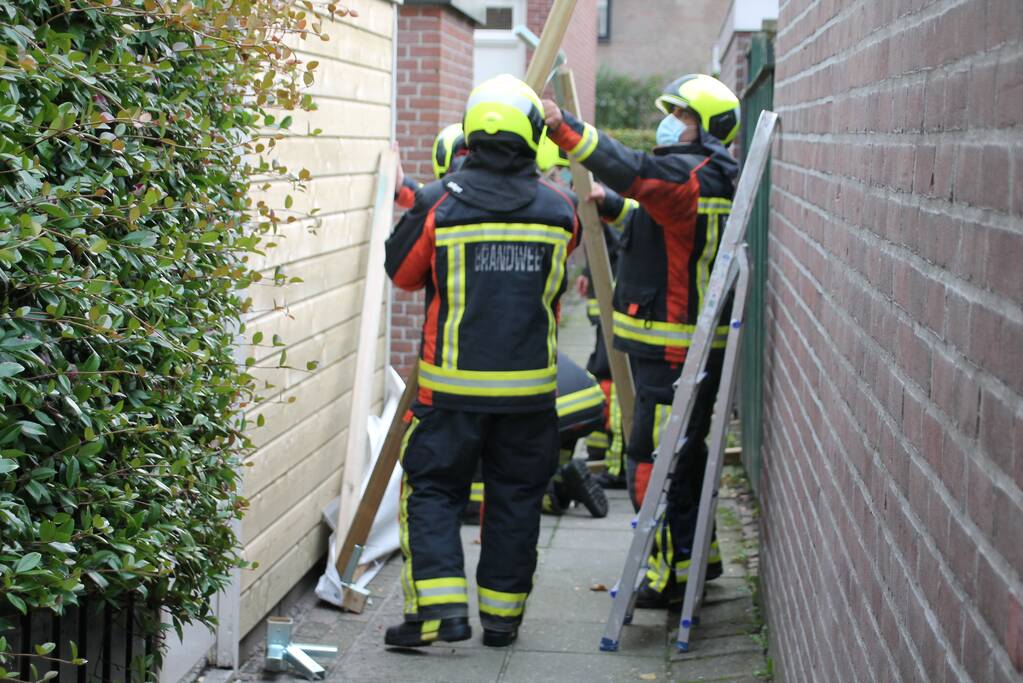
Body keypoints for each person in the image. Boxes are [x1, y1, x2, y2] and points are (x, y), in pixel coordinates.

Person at [383, 74, 580, 648]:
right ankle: (502, 620)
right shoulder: (559, 209)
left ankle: (442, 612)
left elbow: (402, 275)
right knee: (516, 499)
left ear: (470, 132)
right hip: (530, 398)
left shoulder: (439, 205)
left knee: (435, 492)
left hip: (449, 396)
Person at [542, 74, 740, 609]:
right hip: (680, 353)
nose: (672, 121)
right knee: (685, 457)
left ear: (709, 126)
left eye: (684, 114)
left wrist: (563, 129)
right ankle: (698, 560)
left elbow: (636, 172)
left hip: (674, 355)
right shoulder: (708, 175)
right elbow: (658, 221)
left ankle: (664, 577)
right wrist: (610, 204)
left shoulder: (690, 174)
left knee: (654, 461)